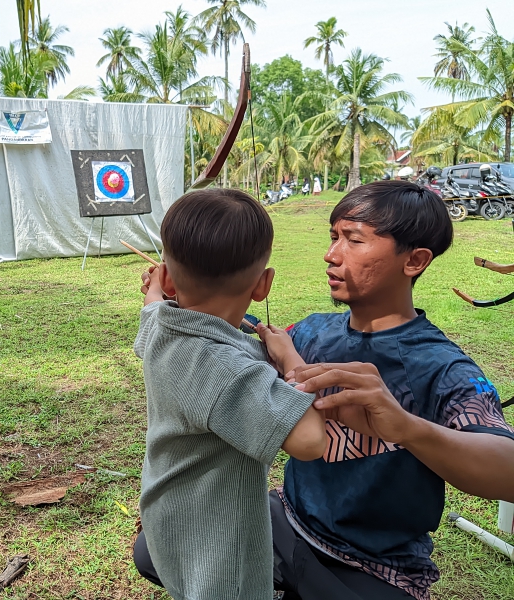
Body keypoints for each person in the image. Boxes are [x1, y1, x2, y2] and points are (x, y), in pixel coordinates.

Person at [134, 180, 514, 600]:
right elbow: (217, 336)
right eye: (333, 237)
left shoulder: (440, 366)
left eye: (353, 240)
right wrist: (177, 296)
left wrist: (407, 427)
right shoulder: (310, 332)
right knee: (153, 549)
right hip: (288, 522)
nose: (331, 255)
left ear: (415, 260)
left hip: (372, 566)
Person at [133, 188, 327, 600]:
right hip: (217, 545)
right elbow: (310, 441)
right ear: (263, 285)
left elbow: (151, 305)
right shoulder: (222, 369)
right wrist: (291, 359)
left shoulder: (159, 328)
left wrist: (154, 287)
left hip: (168, 515)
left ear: (167, 278)